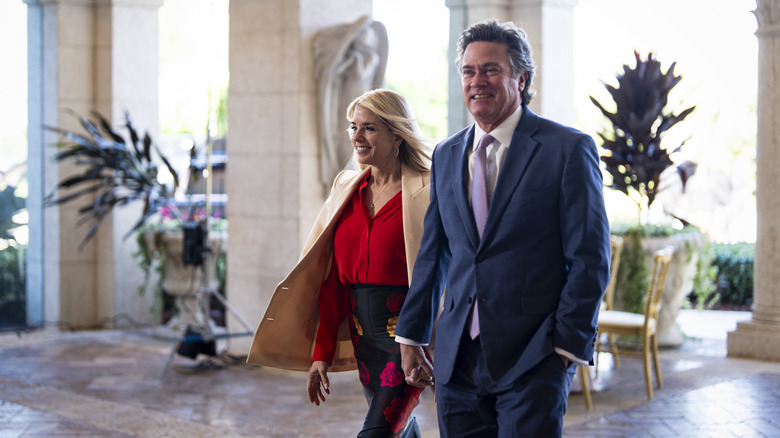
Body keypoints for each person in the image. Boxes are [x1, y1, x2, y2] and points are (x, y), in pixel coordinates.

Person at [394, 19, 611, 437]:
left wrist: (565, 349)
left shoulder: (567, 150)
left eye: (491, 69)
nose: (478, 81)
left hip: (534, 356)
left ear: (521, 78)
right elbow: (434, 253)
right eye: (469, 71)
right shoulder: (446, 154)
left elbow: (590, 258)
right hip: (456, 359)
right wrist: (411, 334)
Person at [247, 88, 432, 438]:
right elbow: (333, 281)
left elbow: (437, 269)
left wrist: (420, 338)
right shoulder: (347, 186)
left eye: (369, 128)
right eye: (353, 127)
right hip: (365, 339)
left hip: (407, 337)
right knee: (397, 427)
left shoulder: (429, 187)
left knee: (377, 431)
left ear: (396, 134)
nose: (356, 137)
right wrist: (322, 352)